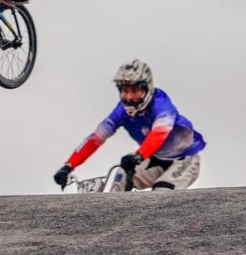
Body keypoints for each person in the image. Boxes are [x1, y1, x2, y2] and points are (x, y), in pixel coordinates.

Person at [52, 60, 206, 191]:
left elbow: (158, 135)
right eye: (124, 91)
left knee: (161, 192)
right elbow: (96, 138)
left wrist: (138, 155)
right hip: (154, 158)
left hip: (184, 158)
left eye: (134, 90)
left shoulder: (161, 104)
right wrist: (69, 165)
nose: (129, 97)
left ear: (146, 88)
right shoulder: (122, 111)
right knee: (120, 176)